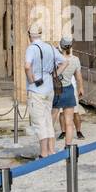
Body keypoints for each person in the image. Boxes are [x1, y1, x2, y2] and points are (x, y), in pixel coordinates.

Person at [24, 23, 62, 157]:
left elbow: (27, 67)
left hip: (37, 90)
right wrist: (54, 74)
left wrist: (30, 80)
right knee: (47, 120)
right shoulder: (50, 47)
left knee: (39, 122)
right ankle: (51, 150)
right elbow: (64, 62)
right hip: (49, 88)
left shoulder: (31, 48)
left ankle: (44, 153)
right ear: (40, 34)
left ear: (29, 35)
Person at [53, 37, 83, 145]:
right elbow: (78, 77)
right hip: (69, 89)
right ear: (71, 46)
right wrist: (81, 88)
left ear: (61, 46)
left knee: (52, 120)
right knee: (69, 122)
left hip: (57, 90)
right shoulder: (75, 60)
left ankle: (49, 147)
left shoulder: (57, 59)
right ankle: (68, 146)